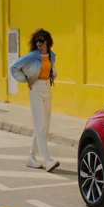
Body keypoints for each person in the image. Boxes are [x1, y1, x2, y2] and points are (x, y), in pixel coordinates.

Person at [10, 29, 60, 172]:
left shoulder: (51, 56)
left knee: (45, 125)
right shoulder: (32, 56)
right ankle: (47, 160)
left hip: (47, 89)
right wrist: (26, 80)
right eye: (37, 40)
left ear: (47, 42)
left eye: (41, 40)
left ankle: (31, 158)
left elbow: (51, 71)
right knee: (41, 125)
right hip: (35, 89)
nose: (39, 43)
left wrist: (51, 79)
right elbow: (14, 67)